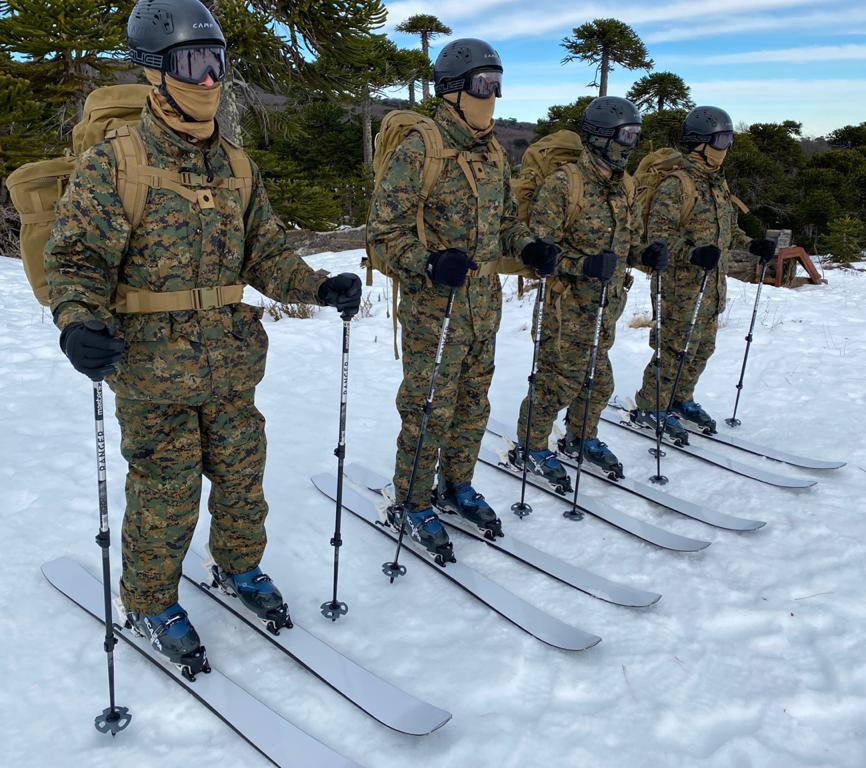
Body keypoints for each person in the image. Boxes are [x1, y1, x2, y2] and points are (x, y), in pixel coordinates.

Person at [44, 0, 362, 673]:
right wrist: (77, 323)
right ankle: (152, 599)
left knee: (244, 477)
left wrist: (317, 286)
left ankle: (240, 567)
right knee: (166, 489)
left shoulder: (237, 166)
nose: (209, 79)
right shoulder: (118, 162)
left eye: (216, 62)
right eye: (192, 63)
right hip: (152, 370)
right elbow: (76, 259)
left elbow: (266, 253)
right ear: (155, 72)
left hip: (231, 364)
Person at [367, 38, 558, 559]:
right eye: (482, 85)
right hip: (435, 310)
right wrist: (427, 262)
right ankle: (410, 498)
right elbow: (383, 231)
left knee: (473, 404)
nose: (491, 97)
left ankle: (457, 483)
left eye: (498, 85)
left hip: (482, 307)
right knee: (428, 407)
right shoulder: (421, 148)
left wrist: (529, 247)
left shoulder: (493, 152)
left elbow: (504, 225)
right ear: (451, 90)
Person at [509, 96, 664, 483]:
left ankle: (581, 437)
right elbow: (539, 254)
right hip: (566, 306)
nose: (630, 144)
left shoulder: (624, 185)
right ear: (599, 137)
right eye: (624, 135)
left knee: (599, 381)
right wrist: (582, 265)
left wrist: (646, 254)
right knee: (557, 381)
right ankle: (530, 445)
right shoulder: (564, 184)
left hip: (606, 305)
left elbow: (625, 244)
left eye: (636, 135)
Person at [630, 106, 775, 440]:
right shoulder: (675, 184)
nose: (725, 147)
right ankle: (650, 405)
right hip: (679, 285)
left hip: (712, 285)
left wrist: (751, 245)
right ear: (699, 142)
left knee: (701, 348)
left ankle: (681, 398)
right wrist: (692, 253)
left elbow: (726, 229)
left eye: (729, 139)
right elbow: (659, 235)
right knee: (673, 350)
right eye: (720, 140)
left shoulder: (717, 182)